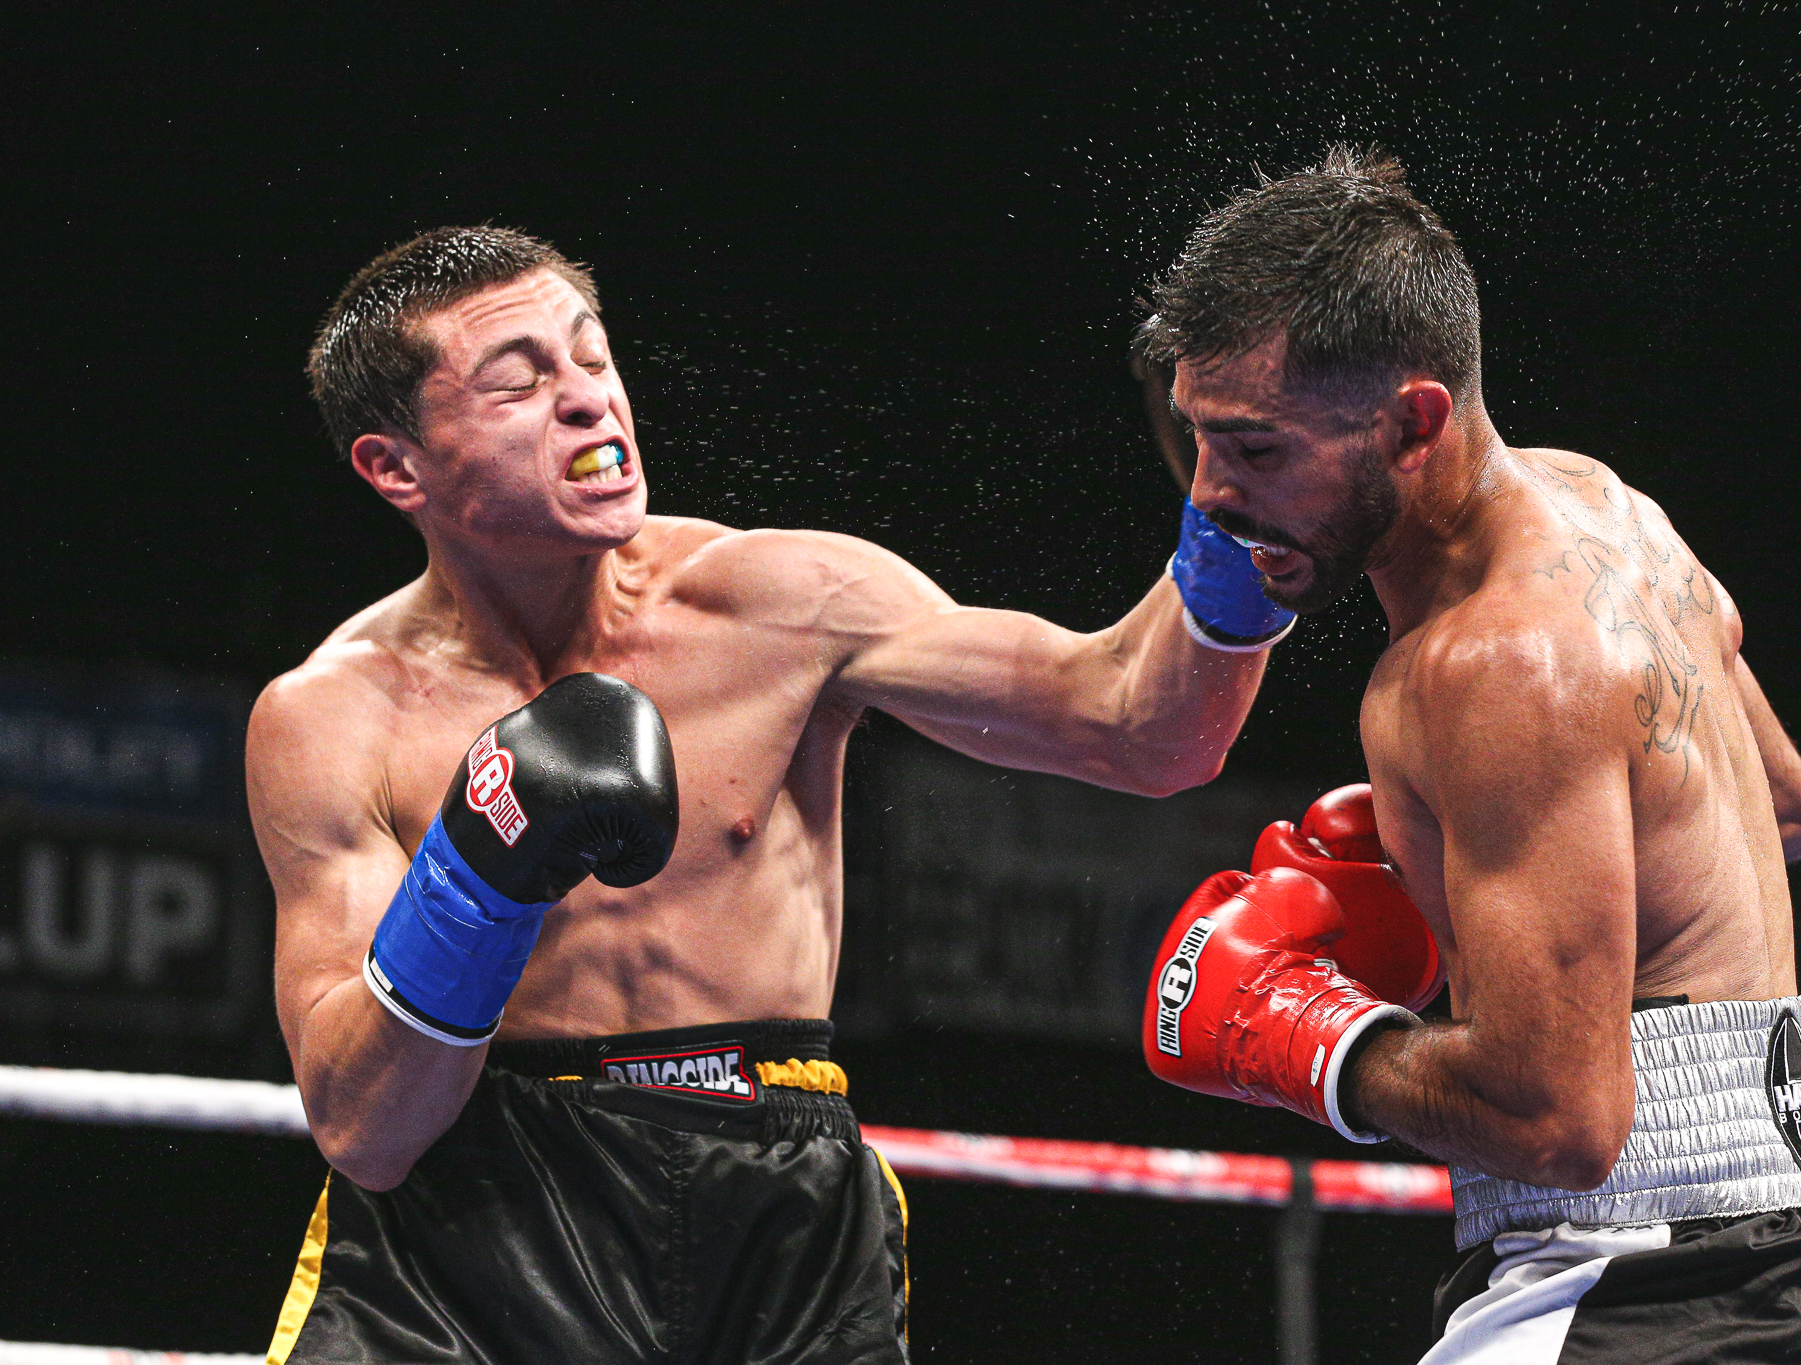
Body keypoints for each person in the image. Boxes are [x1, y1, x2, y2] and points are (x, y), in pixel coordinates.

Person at [249, 225, 1290, 1364]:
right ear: (396, 466)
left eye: (592, 358)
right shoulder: (332, 720)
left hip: (774, 1202)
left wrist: (1239, 515)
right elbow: (365, 1129)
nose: (587, 401)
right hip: (469, 1234)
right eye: (519, 381)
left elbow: (1144, 733)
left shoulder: (783, 604)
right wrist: (479, 875)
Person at [1139, 146, 1801, 1363]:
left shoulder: (1484, 666)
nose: (1211, 492)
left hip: (1639, 1281)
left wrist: (1310, 1033)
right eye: (1197, 438)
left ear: (1413, 422)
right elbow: (1787, 814)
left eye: (1258, 450)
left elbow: (1556, 1123)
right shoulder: (1605, 509)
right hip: (1787, 1252)